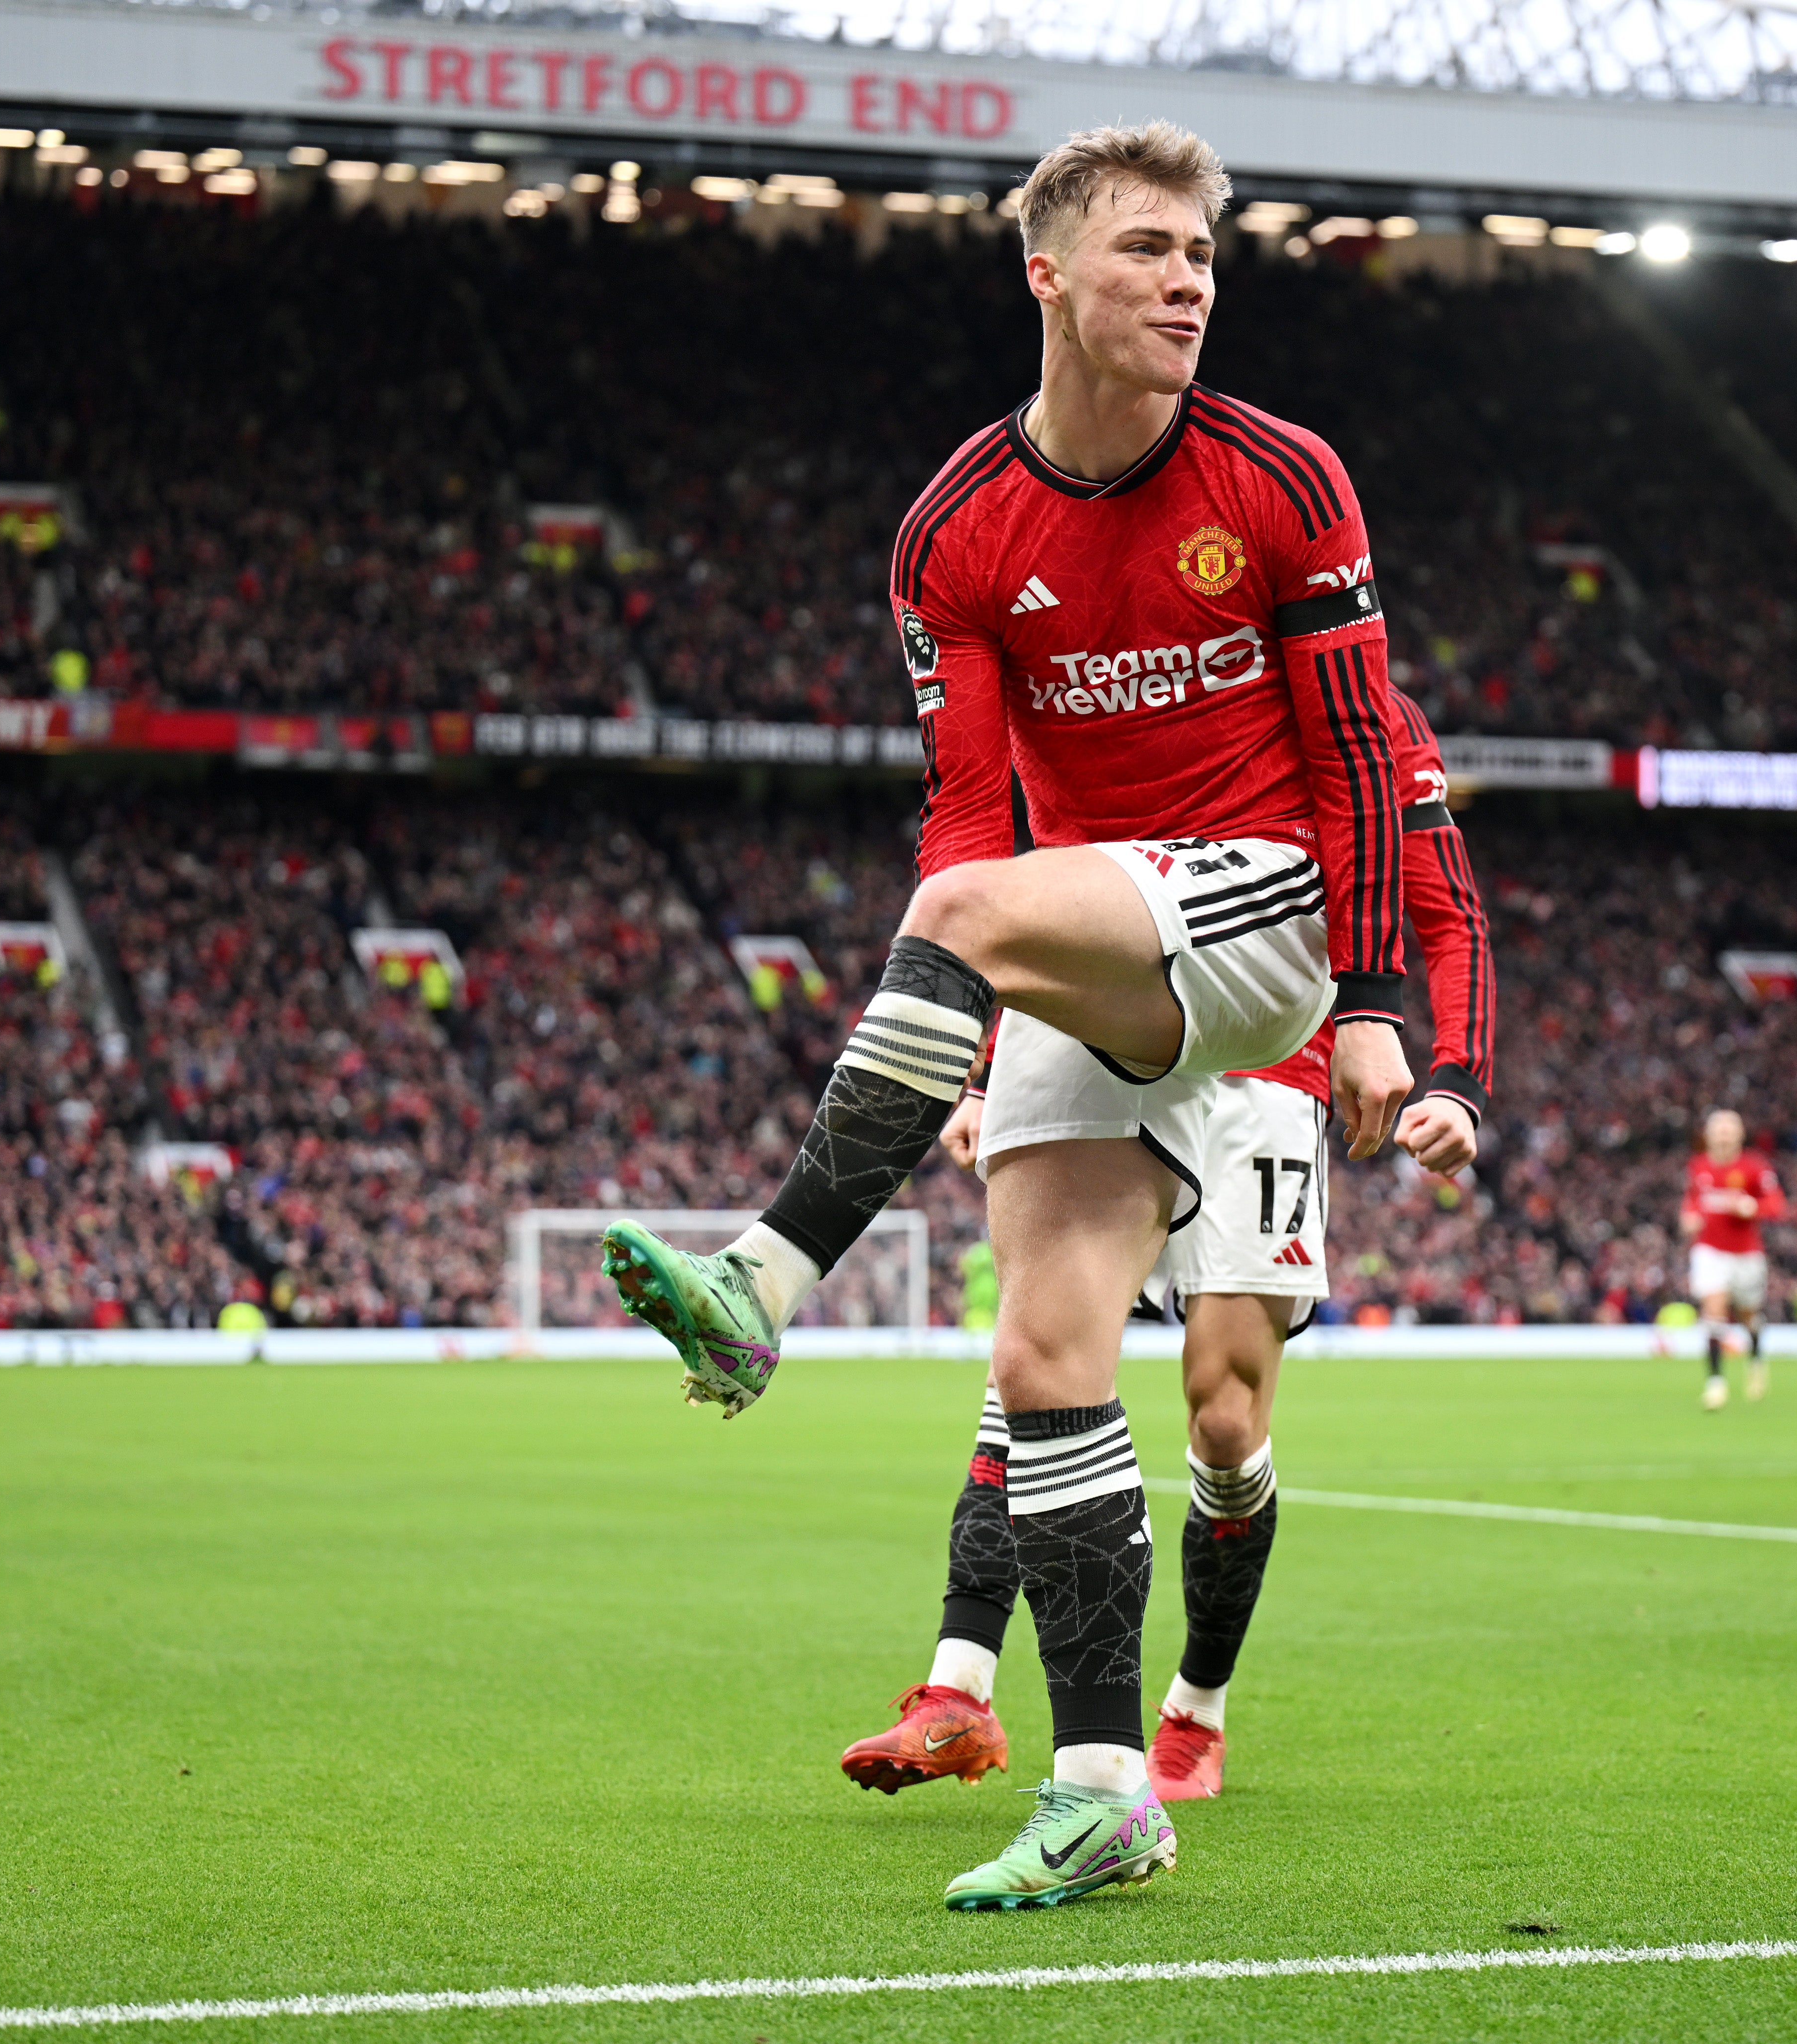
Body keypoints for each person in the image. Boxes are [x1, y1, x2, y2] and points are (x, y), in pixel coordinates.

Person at [599, 121, 1411, 1912]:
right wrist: (971, 1023)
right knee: (1041, 1361)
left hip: (1265, 911)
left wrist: (1371, 1000)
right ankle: (1109, 1784)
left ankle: (761, 1284)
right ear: (1044, 272)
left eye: (1201, 253)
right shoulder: (953, 532)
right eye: (1144, 250)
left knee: (966, 918)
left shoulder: (1282, 479)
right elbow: (966, 816)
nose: (1185, 279)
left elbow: (1359, 755)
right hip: (1099, 930)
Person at [838, 687, 1494, 1807]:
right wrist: (996, 1065)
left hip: (1271, 1079)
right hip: (1117, 1049)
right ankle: (960, 1684)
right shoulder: (1148, 657)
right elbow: (1068, 895)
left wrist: (1460, 1077)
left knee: (1225, 1420)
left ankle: (1196, 1699)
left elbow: (1447, 910)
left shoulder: (1368, 711)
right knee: (1034, 1358)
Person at [1681, 1109, 1784, 1410]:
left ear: (1740, 1135)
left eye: (1730, 1130)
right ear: (1709, 1135)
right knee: (1713, 1310)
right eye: (1719, 1130)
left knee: (1749, 1316)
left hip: (1747, 1254)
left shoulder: (1754, 1167)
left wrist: (1751, 1207)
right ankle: (1716, 1383)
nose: (1724, 1135)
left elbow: (1777, 1204)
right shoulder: (1698, 1166)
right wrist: (1688, 1218)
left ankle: (1755, 1359)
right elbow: (1692, 1202)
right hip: (1710, 1250)